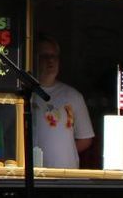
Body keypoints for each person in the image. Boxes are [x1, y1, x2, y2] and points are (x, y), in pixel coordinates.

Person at [29, 34, 94, 169]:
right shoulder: (24, 94)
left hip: (65, 174)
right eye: (44, 56)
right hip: (31, 173)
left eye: (54, 56)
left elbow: (85, 138)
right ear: (33, 59)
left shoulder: (73, 96)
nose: (50, 60)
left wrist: (63, 154)